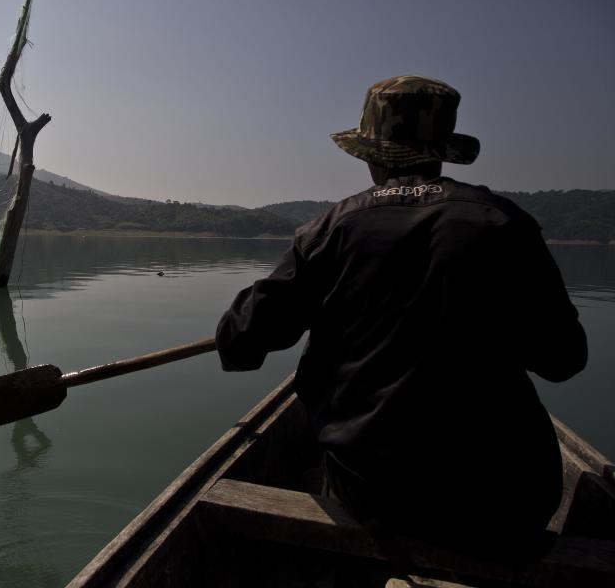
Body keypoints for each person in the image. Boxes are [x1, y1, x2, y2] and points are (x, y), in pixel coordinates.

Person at [216, 76, 587, 554]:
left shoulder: (329, 230)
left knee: (322, 467)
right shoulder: (506, 224)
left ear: (372, 156)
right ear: (442, 150)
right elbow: (565, 361)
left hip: (377, 495)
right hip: (508, 501)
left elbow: (239, 343)